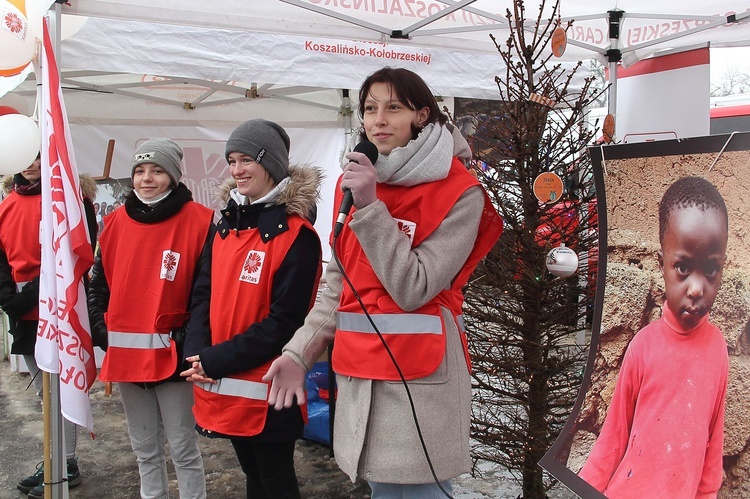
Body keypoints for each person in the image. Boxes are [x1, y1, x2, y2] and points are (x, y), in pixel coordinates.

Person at [262, 67, 503, 498]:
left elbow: (415, 286)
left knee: (423, 492)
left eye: (394, 107)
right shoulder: (353, 183)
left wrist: (372, 208)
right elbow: (337, 285)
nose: (378, 119)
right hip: (359, 376)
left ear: (421, 115)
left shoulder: (460, 192)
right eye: (370, 108)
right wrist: (298, 354)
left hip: (421, 380)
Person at [181, 119, 323, 498]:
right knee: (254, 478)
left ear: (272, 165)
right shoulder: (225, 226)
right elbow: (202, 294)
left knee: (275, 481)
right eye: (232, 161)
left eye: (247, 160)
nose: (237, 170)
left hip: (268, 386)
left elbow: (285, 323)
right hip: (223, 377)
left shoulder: (297, 236)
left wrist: (215, 360)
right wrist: (196, 352)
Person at [579, 176, 729, 498]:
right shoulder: (643, 348)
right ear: (662, 266)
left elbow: (713, 442)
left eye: (711, 270)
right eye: (683, 268)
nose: (696, 288)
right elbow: (613, 438)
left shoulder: (718, 349)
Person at [87, 138, 212, 499]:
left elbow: (206, 294)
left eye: (157, 170)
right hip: (125, 356)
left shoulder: (200, 221)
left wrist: (185, 341)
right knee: (144, 451)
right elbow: (98, 285)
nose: (147, 178)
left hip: (173, 359)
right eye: (140, 171)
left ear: (172, 177)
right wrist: (103, 333)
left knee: (184, 449)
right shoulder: (112, 223)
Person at [0, 153, 98, 498]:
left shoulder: (72, 199)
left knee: (62, 386)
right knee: (45, 391)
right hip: (22, 312)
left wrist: (35, 295)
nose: (30, 164)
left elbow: (78, 253)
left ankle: (66, 462)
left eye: (37, 156)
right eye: (25, 157)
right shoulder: (8, 202)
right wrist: (9, 296)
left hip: (59, 306)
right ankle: (53, 458)